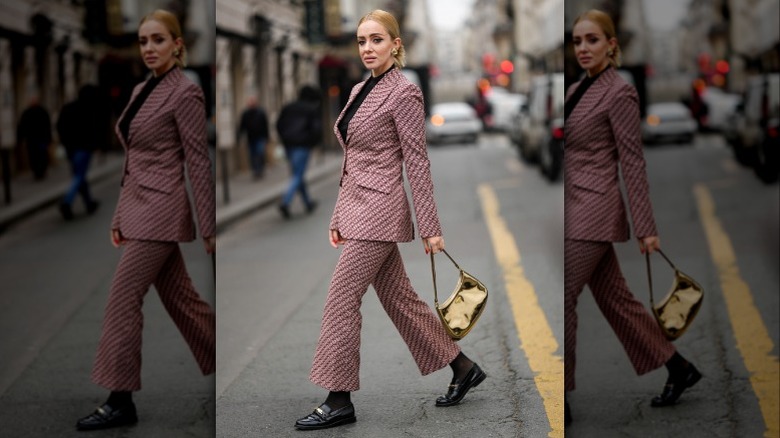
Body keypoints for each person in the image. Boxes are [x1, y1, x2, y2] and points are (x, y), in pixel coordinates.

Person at [294, 9, 485, 431]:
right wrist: (338, 214)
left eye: (377, 40)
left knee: (341, 299)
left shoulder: (404, 93)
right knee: (400, 300)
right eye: (362, 41)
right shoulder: (361, 87)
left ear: (396, 44)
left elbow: (416, 162)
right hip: (357, 208)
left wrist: (431, 227)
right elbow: (353, 161)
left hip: (380, 211)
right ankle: (463, 368)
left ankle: (338, 398)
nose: (367, 48)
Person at [75, 9, 216, 431]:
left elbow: (198, 162)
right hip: (138, 209)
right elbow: (133, 160)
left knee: (122, 299)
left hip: (161, 212)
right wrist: (120, 214)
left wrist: (208, 228)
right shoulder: (141, 89)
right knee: (184, 303)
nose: (149, 48)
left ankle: (120, 400)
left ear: (177, 44)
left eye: (158, 40)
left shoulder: (184, 93)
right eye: (143, 41)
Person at [563, 9, 701, 425]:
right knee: (617, 301)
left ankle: (559, 394)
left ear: (611, 44)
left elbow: (633, 161)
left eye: (592, 40)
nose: (583, 48)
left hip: (594, 210)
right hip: (571, 206)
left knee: (563, 299)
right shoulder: (573, 91)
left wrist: (646, 228)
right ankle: (679, 369)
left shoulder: (619, 92)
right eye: (577, 41)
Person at [56, 84, 103, 220]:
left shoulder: (68, 107)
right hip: (84, 149)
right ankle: (67, 202)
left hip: (71, 149)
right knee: (79, 176)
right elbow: (94, 129)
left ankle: (89, 203)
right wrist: (97, 146)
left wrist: (65, 143)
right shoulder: (90, 110)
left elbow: (60, 125)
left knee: (79, 175)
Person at [275, 85, 322, 219]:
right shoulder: (311, 109)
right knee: (297, 175)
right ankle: (285, 201)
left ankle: (308, 203)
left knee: (297, 174)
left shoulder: (288, 107)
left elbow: (279, 124)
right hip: (302, 145)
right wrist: (312, 142)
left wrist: (284, 139)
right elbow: (316, 129)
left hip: (289, 145)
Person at [16, 95, 52, 180]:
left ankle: (41, 171)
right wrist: (20, 138)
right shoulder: (28, 113)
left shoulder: (41, 111)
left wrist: (48, 138)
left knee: (41, 156)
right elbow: (22, 126)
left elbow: (47, 125)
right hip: (32, 140)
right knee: (34, 157)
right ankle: (37, 172)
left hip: (40, 139)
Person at [236, 95, 269, 179]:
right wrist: (238, 137)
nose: (251, 104)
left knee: (259, 153)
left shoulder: (261, 113)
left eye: (253, 102)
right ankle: (255, 171)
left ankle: (260, 169)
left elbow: (265, 126)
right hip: (250, 138)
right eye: (250, 102)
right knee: (252, 155)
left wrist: (266, 138)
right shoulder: (245, 114)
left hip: (260, 137)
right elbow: (242, 126)